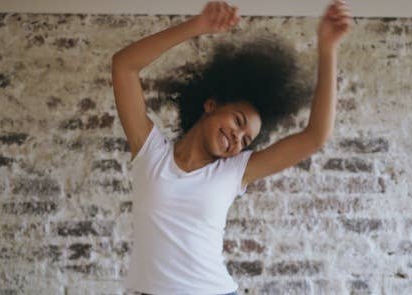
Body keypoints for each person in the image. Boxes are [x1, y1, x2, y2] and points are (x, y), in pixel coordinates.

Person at [111, 1, 353, 294]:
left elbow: (315, 135)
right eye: (238, 121)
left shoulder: (235, 171)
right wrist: (197, 26)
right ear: (211, 105)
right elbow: (124, 66)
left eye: (246, 140)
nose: (238, 138)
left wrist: (328, 50)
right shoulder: (151, 153)